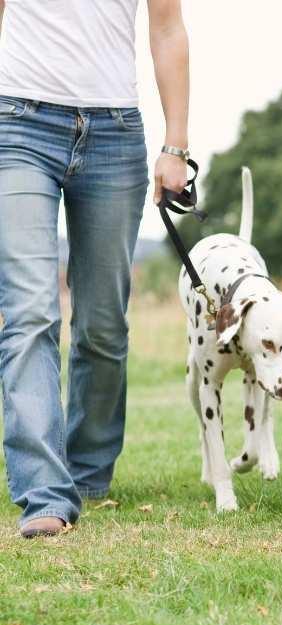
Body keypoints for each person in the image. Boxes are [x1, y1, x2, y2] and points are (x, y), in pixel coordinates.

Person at [0, 0, 191, 538]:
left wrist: (174, 144)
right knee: (30, 313)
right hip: (17, 123)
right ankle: (43, 491)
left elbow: (168, 27)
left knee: (103, 324)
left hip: (114, 132)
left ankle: (86, 475)